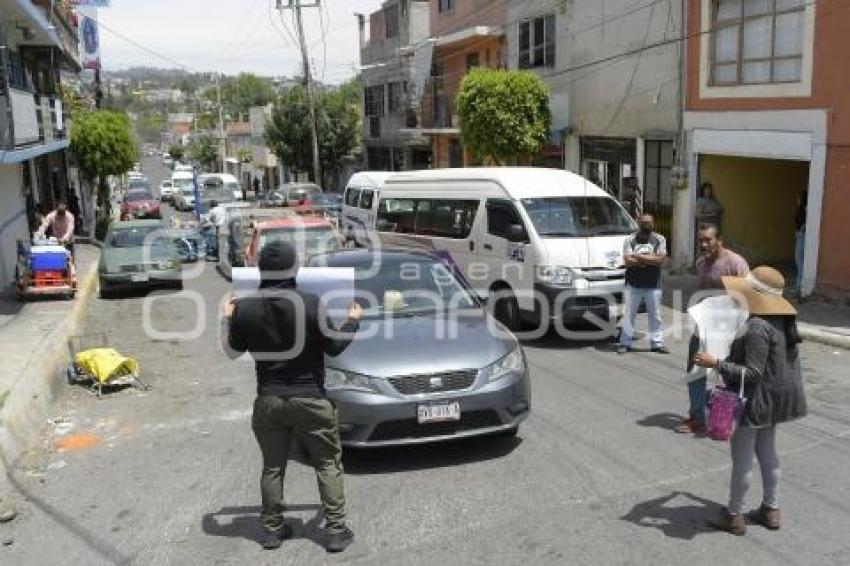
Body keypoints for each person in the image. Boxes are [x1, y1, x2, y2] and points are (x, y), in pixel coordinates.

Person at [221, 240, 362, 553]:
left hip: (269, 399)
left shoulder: (245, 307)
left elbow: (232, 352)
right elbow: (335, 347)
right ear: (293, 268)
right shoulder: (310, 303)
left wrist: (227, 317)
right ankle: (335, 532)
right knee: (327, 463)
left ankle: (272, 530)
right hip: (311, 396)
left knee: (272, 467)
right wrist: (353, 319)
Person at [694, 266, 807, 535]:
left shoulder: (757, 326)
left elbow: (753, 373)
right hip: (777, 400)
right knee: (767, 451)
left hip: (756, 400)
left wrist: (717, 363)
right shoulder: (783, 320)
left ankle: (734, 514)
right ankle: (771, 509)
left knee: (743, 457)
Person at [676, 224, 750, 434]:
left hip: (731, 327)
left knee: (727, 369)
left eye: (708, 240)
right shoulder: (700, 263)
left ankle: (730, 414)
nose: (703, 244)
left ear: (720, 240)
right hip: (706, 324)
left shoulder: (736, 262)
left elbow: (749, 292)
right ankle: (697, 416)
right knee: (695, 366)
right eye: (700, 240)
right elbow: (702, 293)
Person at [618, 214, 669, 354]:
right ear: (638, 223)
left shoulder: (660, 239)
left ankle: (657, 344)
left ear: (653, 224)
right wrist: (650, 259)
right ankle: (625, 343)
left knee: (656, 315)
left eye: (649, 222)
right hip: (633, 284)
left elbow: (660, 261)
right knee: (629, 315)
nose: (647, 225)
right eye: (644, 222)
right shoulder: (629, 239)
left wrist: (637, 256)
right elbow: (628, 262)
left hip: (653, 284)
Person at [794, 190, 807, 290]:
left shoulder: (806, 209)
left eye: (799, 198)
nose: (797, 200)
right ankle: (799, 282)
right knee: (799, 259)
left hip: (802, 235)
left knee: (799, 258)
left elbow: (805, 222)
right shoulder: (802, 209)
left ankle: (801, 283)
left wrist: (802, 229)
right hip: (799, 234)